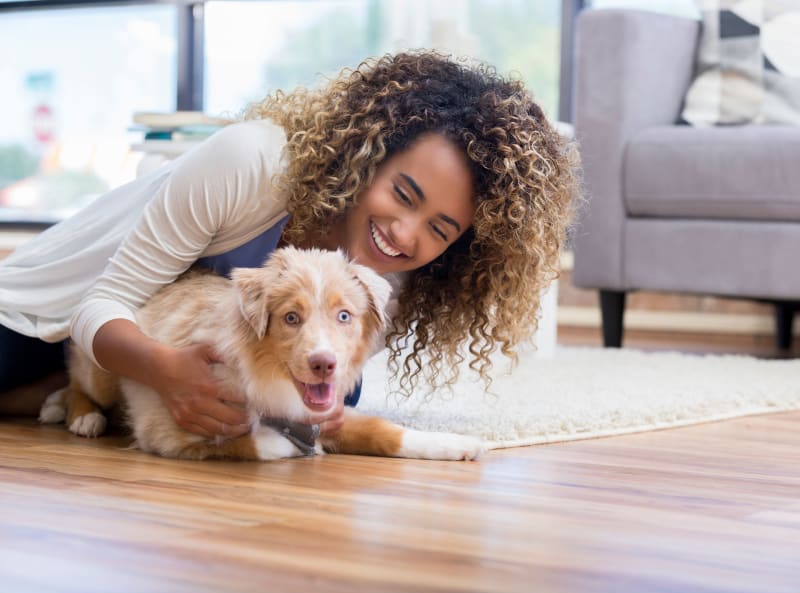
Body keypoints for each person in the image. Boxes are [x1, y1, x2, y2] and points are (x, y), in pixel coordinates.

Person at [0, 51, 579, 438]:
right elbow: (100, 303)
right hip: (43, 309)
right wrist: (167, 373)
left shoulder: (389, 285)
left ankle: (61, 392)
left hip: (136, 336)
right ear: (368, 156)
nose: (406, 233)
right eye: (403, 193)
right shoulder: (251, 163)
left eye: (440, 229)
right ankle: (56, 384)